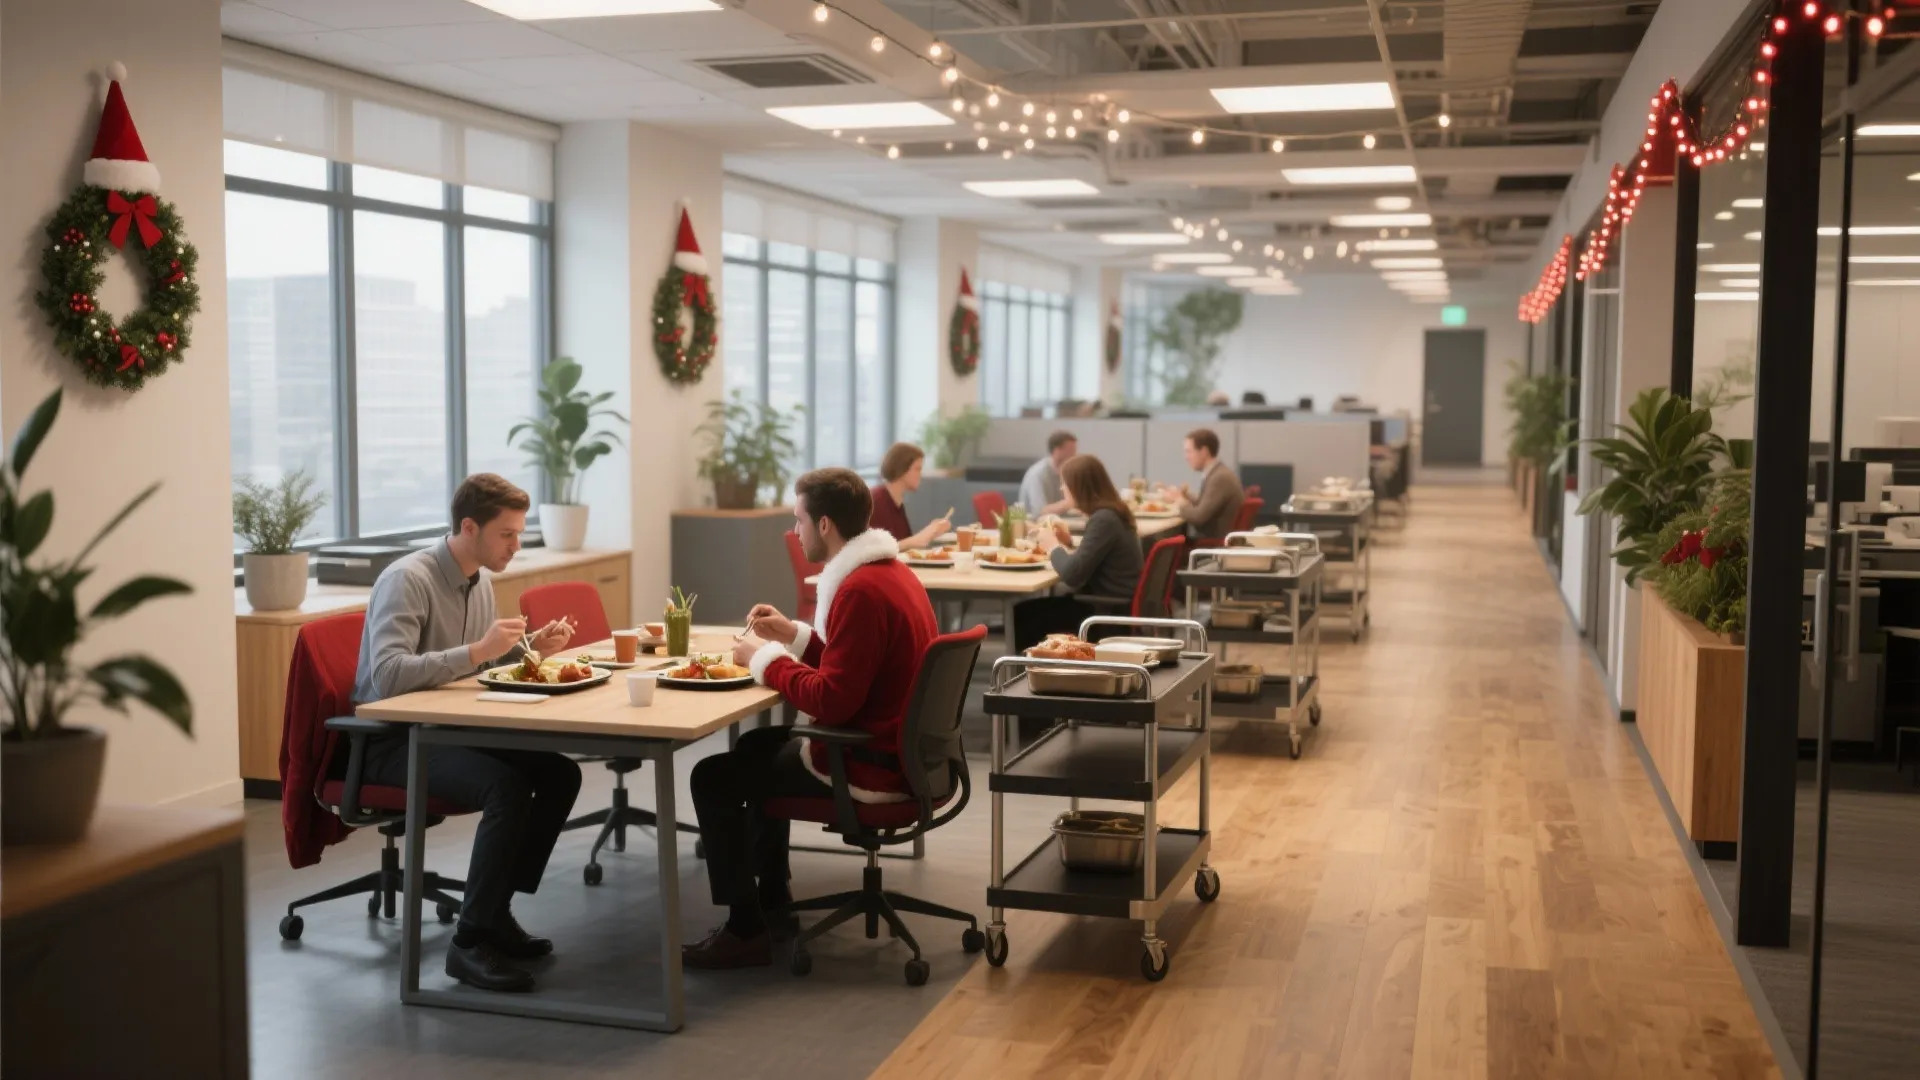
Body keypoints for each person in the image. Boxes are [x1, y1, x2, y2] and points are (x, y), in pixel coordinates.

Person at [683, 468, 939, 969]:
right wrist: (793, 636)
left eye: (798, 520)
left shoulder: (860, 591)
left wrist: (764, 658)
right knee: (754, 751)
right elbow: (856, 663)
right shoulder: (889, 573)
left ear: (825, 525)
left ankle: (745, 929)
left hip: (870, 762)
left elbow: (833, 700)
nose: (795, 532)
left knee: (711, 777)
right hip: (899, 749)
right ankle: (773, 901)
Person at [350, 474, 582, 994]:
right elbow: (386, 677)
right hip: (393, 740)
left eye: (520, 534)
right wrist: (478, 652)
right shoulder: (407, 579)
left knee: (559, 772)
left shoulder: (481, 578)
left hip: (448, 728)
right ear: (469, 527)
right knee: (506, 786)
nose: (516, 546)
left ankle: (494, 911)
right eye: (508, 535)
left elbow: (471, 669)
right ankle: (470, 941)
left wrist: (531, 651)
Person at [1014, 454, 1145, 654]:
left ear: (1079, 486)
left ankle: (1034, 678)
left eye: (1065, 484)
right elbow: (1092, 558)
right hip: (1115, 604)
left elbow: (1073, 575)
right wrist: (1067, 542)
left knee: (1023, 614)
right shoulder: (1112, 512)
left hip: (1103, 613)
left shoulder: (1103, 519)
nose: (1061, 489)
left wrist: (1053, 545)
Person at [869, 442, 953, 550]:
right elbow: (877, 551)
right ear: (902, 470)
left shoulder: (896, 501)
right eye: (917, 469)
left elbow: (902, 544)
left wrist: (932, 532)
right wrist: (924, 535)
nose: (920, 475)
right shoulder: (876, 502)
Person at [1168, 427, 1245, 540]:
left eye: (1189, 451)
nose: (1186, 457)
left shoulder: (1220, 478)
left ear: (1204, 452)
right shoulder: (1218, 472)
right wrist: (1185, 496)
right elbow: (1206, 504)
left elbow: (1199, 517)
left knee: (1160, 539)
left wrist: (1180, 501)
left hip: (1213, 543)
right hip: (1217, 539)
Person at [1018, 430, 1078, 515]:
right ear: (1057, 450)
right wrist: (1069, 503)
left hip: (1056, 522)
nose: (1074, 455)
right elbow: (1040, 511)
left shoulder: (1064, 473)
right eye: (1071, 450)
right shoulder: (1038, 474)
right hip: (1035, 525)